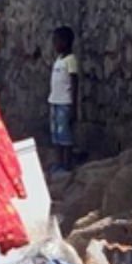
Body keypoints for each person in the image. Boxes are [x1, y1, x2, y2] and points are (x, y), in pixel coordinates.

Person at [48, 26, 80, 172]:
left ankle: (67, 164)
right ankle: (58, 162)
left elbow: (74, 82)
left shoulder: (70, 60)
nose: (54, 44)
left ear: (66, 42)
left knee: (65, 134)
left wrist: (74, 106)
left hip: (65, 103)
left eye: (57, 41)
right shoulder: (59, 60)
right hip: (54, 101)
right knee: (56, 135)